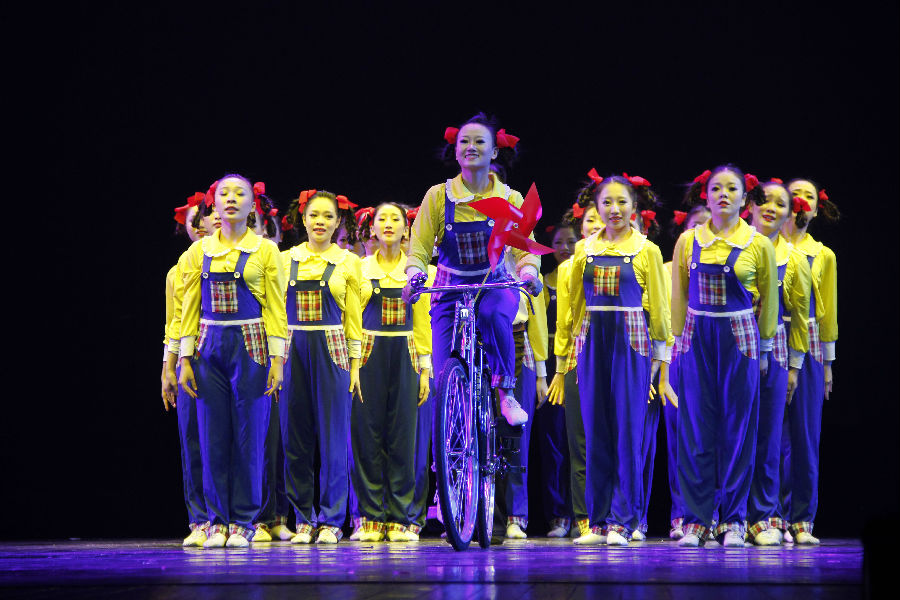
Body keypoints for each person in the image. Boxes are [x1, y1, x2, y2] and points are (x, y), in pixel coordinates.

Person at [551, 172, 672, 546]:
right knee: (596, 432)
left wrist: (659, 363)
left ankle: (624, 519)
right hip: (591, 345)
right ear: (596, 207)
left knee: (627, 432)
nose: (614, 209)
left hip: (631, 346)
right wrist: (564, 361)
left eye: (622, 202)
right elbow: (572, 309)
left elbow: (660, 312)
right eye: (607, 202)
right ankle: (598, 521)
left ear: (635, 206)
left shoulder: (647, 250)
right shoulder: (583, 249)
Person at [403, 113, 542, 427]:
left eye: (480, 141)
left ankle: (506, 394)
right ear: (455, 151)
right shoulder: (437, 196)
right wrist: (414, 276)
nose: (471, 146)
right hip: (449, 288)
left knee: (493, 316)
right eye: (464, 141)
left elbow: (525, 249)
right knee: (443, 372)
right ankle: (450, 436)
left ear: (494, 151)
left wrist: (529, 274)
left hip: (494, 285)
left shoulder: (509, 198)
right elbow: (419, 248)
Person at [172, 174, 287, 548]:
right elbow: (188, 309)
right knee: (212, 437)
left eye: (240, 194)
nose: (232, 199)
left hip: (251, 346)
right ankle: (216, 521)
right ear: (215, 205)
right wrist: (184, 359)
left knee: (249, 437)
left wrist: (278, 359)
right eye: (224, 193)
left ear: (253, 206)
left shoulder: (265, 250)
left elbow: (276, 307)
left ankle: (244, 521)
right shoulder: (198, 252)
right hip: (208, 348)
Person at [671, 165, 777, 548]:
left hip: (740, 337)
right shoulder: (688, 240)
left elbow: (769, 300)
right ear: (706, 195)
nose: (723, 195)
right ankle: (696, 521)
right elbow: (678, 295)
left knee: (738, 431)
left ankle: (733, 520)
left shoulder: (758, 244)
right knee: (696, 430)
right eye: (717, 188)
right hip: (696, 337)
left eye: (732, 189)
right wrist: (676, 344)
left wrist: (764, 350)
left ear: (744, 198)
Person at [280, 189, 363, 544]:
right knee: (294, 439)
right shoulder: (284, 260)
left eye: (328, 216)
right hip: (291, 350)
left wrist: (355, 367)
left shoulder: (348, 262)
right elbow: (273, 313)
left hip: (333, 350)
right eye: (314, 215)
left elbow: (354, 320)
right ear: (303, 219)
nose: (320, 222)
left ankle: (331, 520)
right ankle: (303, 518)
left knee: (334, 440)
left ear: (338, 222)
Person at [350, 202, 433, 542]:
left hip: (406, 354)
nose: (387, 224)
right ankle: (370, 515)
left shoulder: (417, 271)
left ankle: (402, 516)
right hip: (368, 354)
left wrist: (425, 369)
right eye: (381, 219)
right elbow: (352, 319)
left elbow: (424, 322)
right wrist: (353, 364)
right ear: (372, 228)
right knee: (366, 436)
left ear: (406, 229)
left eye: (395, 219)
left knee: (404, 437)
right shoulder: (359, 267)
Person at [744, 180, 812, 546]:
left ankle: (764, 515)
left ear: (788, 214)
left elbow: (800, 317)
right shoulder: (733, 248)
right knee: (731, 434)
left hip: (775, 352)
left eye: (781, 203)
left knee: (768, 437)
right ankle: (727, 516)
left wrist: (795, 368)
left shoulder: (794, 258)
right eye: (765, 200)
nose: (771, 207)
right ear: (751, 206)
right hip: (731, 348)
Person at [778, 178, 839, 545]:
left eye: (809, 196)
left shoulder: (823, 254)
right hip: (770, 336)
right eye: (794, 195)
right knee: (768, 433)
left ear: (817, 209)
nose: (801, 200)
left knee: (804, 435)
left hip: (811, 343)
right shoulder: (765, 245)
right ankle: (767, 516)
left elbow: (828, 311)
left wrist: (827, 363)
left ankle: (801, 519)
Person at [162, 192, 219, 547]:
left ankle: (231, 518)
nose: (200, 226)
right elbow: (174, 322)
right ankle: (200, 520)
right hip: (189, 358)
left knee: (225, 440)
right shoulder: (178, 270)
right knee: (193, 439)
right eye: (194, 222)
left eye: (206, 218)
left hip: (224, 355)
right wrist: (167, 367)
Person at [546, 198, 603, 540]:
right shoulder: (569, 268)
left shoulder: (635, 256)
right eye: (590, 220)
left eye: (600, 218)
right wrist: (559, 370)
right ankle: (584, 518)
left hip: (618, 356)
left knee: (613, 441)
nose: (596, 225)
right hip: (578, 357)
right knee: (578, 443)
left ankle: (619, 516)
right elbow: (565, 323)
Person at [662, 204, 709, 540]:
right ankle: (682, 514)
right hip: (676, 356)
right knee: (680, 438)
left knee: (713, 436)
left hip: (713, 353)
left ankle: (714, 514)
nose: (700, 232)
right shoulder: (667, 269)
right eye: (694, 226)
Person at [534, 222, 577, 537]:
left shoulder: (585, 280)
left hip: (579, 361)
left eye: (571, 241)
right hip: (551, 364)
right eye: (559, 242)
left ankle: (584, 514)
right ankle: (558, 515)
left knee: (581, 442)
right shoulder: (543, 282)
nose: (565, 247)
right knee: (554, 442)